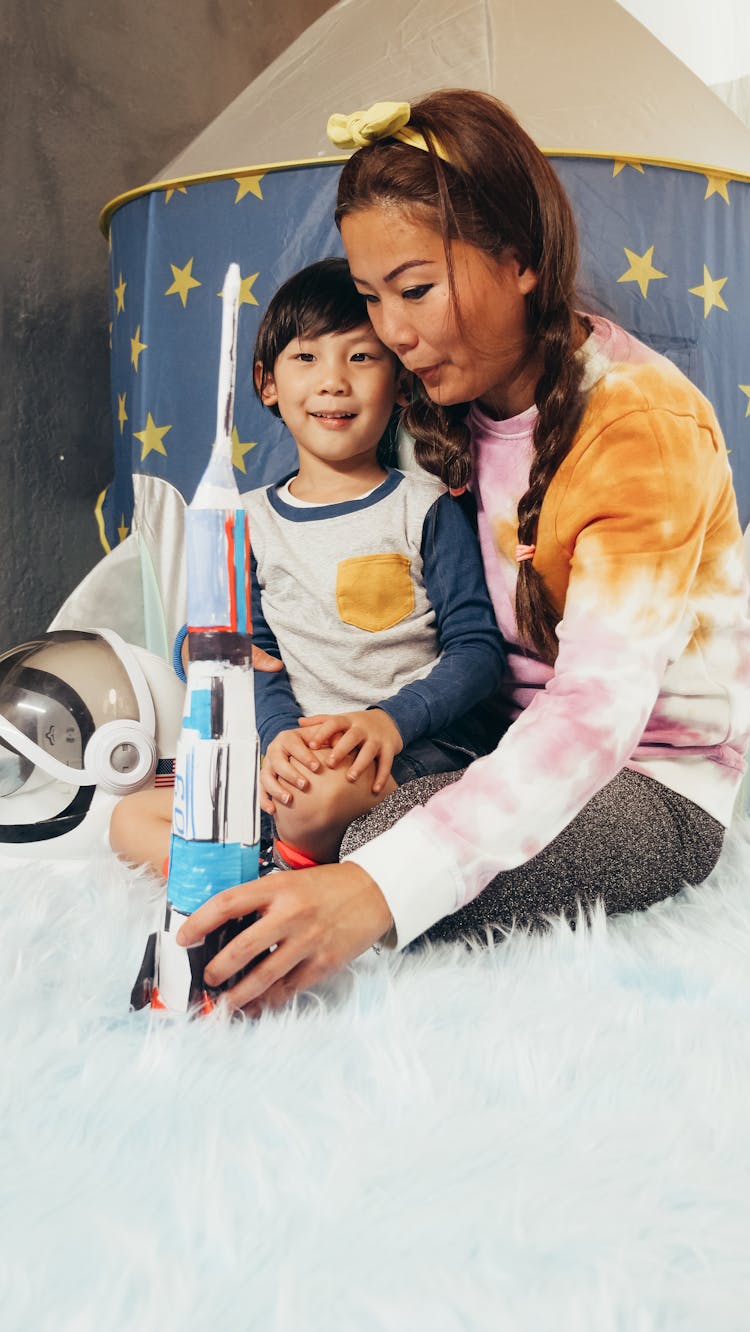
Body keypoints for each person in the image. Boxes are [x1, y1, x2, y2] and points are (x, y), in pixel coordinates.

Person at [175, 90, 750, 1013]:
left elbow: (593, 722)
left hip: (645, 782)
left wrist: (369, 893)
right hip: (475, 741)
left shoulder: (642, 425)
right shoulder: (442, 403)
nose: (392, 333)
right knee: (320, 801)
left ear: (518, 260)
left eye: (415, 289)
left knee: (384, 847)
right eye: (370, 298)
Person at [110, 256, 506, 874]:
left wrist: (389, 723)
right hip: (291, 752)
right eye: (306, 358)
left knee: (315, 804)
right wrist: (276, 736)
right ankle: (271, 866)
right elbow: (249, 653)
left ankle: (277, 869)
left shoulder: (423, 508)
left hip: (410, 746)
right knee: (130, 818)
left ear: (401, 384)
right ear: (267, 383)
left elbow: (478, 652)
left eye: (361, 357)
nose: (333, 381)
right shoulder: (247, 522)